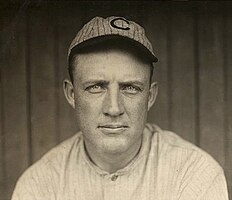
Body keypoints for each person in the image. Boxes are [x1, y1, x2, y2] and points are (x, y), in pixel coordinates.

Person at [12, 16, 228, 200]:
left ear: (150, 96)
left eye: (130, 88)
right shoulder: (39, 185)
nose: (114, 108)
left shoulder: (194, 173)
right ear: (72, 94)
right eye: (96, 87)